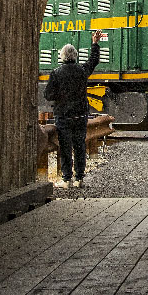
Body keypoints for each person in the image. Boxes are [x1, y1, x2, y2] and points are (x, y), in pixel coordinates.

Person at [43, 32, 103, 188]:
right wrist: (95, 43)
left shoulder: (56, 73)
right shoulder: (82, 71)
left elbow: (48, 95)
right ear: (75, 56)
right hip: (80, 115)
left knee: (65, 147)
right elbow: (94, 61)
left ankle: (67, 179)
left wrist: (60, 96)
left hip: (63, 116)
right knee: (79, 146)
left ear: (62, 57)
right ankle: (80, 178)